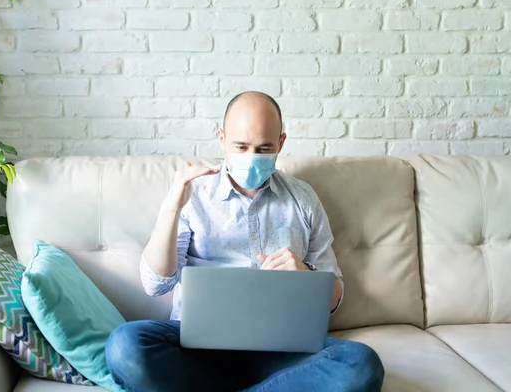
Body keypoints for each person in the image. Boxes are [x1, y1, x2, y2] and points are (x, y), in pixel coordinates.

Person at [105, 92, 385, 392]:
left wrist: (307, 275)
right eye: (241, 146)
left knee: (360, 364)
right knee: (124, 346)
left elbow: (335, 300)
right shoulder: (194, 194)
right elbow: (155, 284)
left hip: (282, 352)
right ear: (222, 138)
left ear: (281, 143)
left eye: (264, 148)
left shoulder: (302, 199)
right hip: (196, 349)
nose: (252, 156)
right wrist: (171, 208)